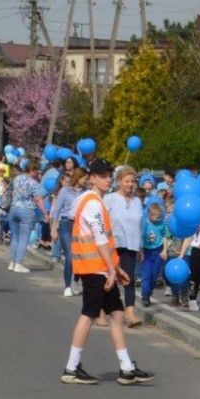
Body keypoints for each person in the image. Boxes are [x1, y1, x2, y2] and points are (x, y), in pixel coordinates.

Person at [59, 158, 153, 386]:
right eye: (103, 176)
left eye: (110, 175)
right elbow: (100, 238)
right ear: (92, 178)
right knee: (89, 314)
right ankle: (71, 367)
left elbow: (100, 239)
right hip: (95, 269)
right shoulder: (93, 203)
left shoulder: (86, 199)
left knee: (118, 313)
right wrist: (112, 269)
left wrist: (116, 268)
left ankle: (126, 368)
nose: (108, 179)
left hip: (100, 267)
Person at [105, 167, 144, 327]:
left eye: (132, 181)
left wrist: (140, 246)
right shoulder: (110, 198)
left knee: (129, 279)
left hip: (131, 244)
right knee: (110, 277)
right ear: (119, 181)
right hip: (113, 244)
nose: (130, 184)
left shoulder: (137, 201)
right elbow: (103, 221)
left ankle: (130, 314)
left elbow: (140, 225)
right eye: (126, 181)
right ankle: (102, 310)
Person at [50, 168, 87, 297]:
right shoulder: (65, 191)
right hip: (66, 224)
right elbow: (57, 210)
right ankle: (67, 285)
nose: (86, 181)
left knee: (80, 256)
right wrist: (54, 229)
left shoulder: (86, 192)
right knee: (70, 256)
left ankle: (76, 280)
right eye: (84, 178)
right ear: (78, 178)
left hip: (81, 225)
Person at [7, 162, 46, 272]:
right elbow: (38, 199)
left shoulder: (17, 179)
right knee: (24, 238)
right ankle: (18, 264)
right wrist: (45, 213)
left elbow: (13, 192)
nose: (38, 173)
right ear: (33, 171)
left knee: (15, 237)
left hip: (14, 208)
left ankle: (12, 262)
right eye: (37, 171)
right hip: (26, 210)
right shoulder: (34, 183)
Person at [139, 199, 168, 306]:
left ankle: (149, 291)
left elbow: (165, 236)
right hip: (147, 252)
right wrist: (140, 250)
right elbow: (140, 236)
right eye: (157, 217)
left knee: (154, 275)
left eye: (160, 217)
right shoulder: (144, 223)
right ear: (150, 215)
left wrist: (165, 250)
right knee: (147, 274)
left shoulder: (161, 224)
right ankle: (145, 296)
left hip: (158, 251)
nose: (159, 219)